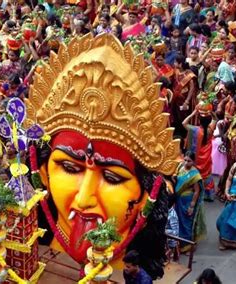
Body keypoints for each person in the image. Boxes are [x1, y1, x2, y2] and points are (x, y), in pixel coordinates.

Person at [31, 34, 175, 279]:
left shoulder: (136, 275)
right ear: (43, 174)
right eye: (70, 167)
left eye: (112, 177)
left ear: (145, 198)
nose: (85, 198)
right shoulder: (26, 254)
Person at [174, 152, 206, 251]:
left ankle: (188, 246)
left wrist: (192, 206)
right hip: (179, 200)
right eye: (185, 160)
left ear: (193, 162)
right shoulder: (180, 167)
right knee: (178, 221)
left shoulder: (195, 175)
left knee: (187, 223)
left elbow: (197, 191)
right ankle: (180, 244)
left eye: (189, 161)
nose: (186, 163)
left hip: (188, 201)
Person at [216, 161, 236, 250]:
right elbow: (229, 179)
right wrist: (226, 192)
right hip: (233, 199)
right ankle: (225, 242)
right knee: (224, 222)